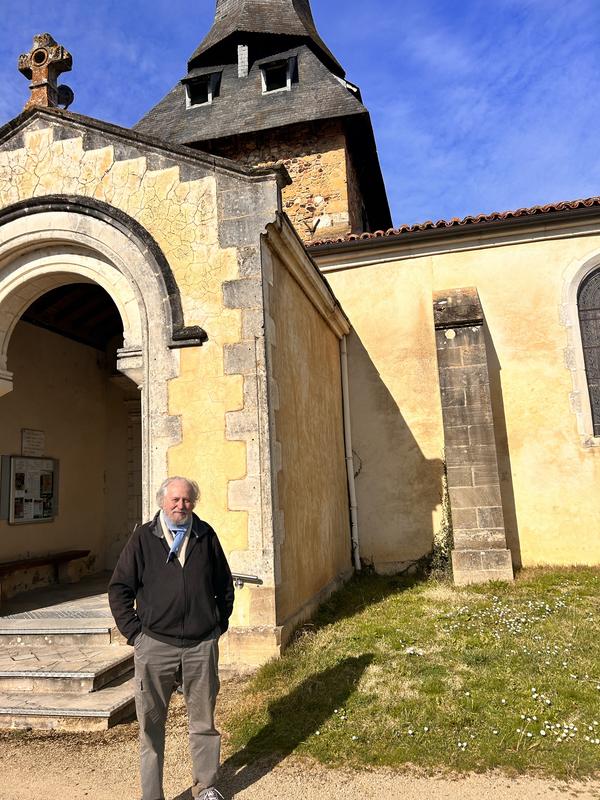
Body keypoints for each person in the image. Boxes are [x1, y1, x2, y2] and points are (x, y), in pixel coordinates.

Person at [109, 476, 234, 800]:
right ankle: (152, 795)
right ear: (162, 501)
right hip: (155, 646)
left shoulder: (205, 535)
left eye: (188, 500)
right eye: (175, 500)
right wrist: (135, 634)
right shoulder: (143, 539)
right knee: (151, 726)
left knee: (203, 722)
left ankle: (206, 787)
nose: (182, 505)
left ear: (194, 502)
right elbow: (120, 588)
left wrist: (218, 625)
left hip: (200, 645)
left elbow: (224, 585)